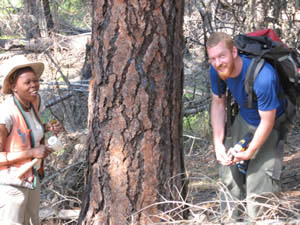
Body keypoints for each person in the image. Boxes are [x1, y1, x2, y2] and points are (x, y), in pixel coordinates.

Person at [206, 32, 288, 221]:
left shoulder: (264, 76)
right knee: (229, 176)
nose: (218, 63)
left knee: (259, 187)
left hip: (271, 125)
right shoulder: (216, 70)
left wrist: (250, 151)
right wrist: (218, 143)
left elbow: (267, 121)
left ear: (234, 52)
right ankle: (229, 219)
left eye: (222, 56)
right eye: (213, 58)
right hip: (245, 119)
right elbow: (218, 103)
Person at [0, 55, 62, 225]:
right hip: (10, 185)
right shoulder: (5, 114)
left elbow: (44, 124)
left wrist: (51, 129)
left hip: (32, 179)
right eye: (27, 82)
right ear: (14, 87)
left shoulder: (36, 101)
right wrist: (31, 152)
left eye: (35, 81)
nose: (34, 85)